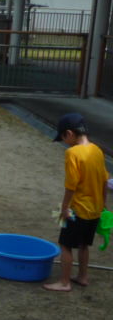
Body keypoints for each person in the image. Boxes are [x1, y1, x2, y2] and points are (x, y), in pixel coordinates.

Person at [43, 113, 109, 292]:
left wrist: (64, 208)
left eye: (63, 137)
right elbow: (104, 180)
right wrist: (103, 204)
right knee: (84, 244)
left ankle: (64, 282)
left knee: (65, 245)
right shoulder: (97, 150)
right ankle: (83, 276)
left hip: (78, 209)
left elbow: (71, 185)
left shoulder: (72, 153)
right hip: (94, 210)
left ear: (69, 134)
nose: (64, 142)